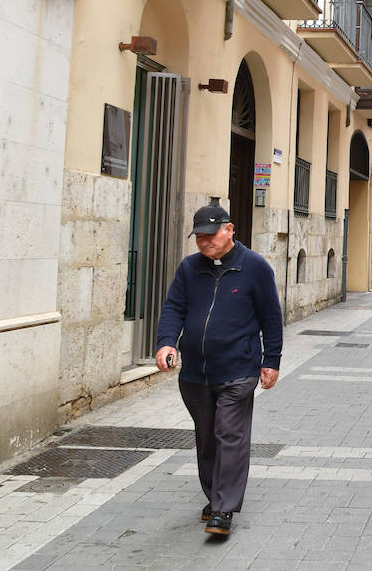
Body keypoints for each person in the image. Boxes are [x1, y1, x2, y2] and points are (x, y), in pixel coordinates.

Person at [156, 203, 282, 538]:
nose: (204, 242)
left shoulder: (255, 267)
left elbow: (271, 317)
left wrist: (272, 360)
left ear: (229, 229)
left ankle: (224, 508)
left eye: (210, 235)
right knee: (207, 437)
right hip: (195, 374)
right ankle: (215, 496)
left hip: (238, 369)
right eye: (199, 237)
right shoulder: (189, 268)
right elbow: (174, 308)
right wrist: (167, 342)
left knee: (230, 435)